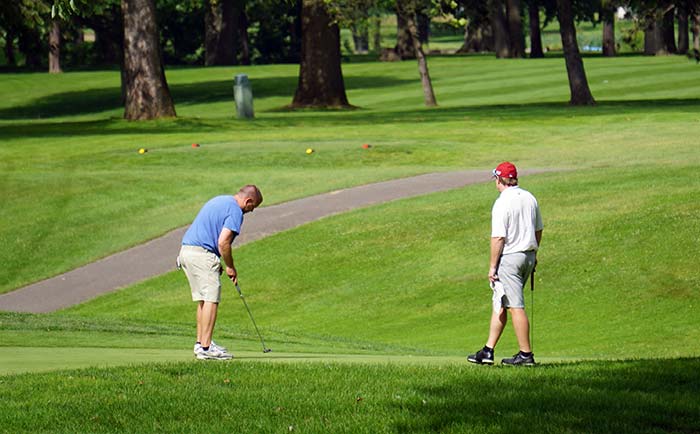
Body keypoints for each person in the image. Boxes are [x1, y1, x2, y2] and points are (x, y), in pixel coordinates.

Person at [468, 162, 543, 366]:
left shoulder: (502, 202)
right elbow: (538, 230)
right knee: (501, 301)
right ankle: (488, 351)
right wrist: (534, 255)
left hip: (510, 258)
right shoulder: (529, 198)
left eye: (496, 179)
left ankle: (526, 355)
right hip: (527, 255)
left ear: (500, 179)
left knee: (515, 306)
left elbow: (498, 238)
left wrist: (492, 267)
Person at [178, 185, 263, 360]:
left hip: (186, 252)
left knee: (203, 299)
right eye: (252, 207)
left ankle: (201, 343)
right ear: (248, 201)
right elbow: (223, 242)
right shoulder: (236, 211)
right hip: (202, 254)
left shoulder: (220, 200)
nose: (251, 211)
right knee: (211, 299)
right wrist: (230, 266)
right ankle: (206, 348)